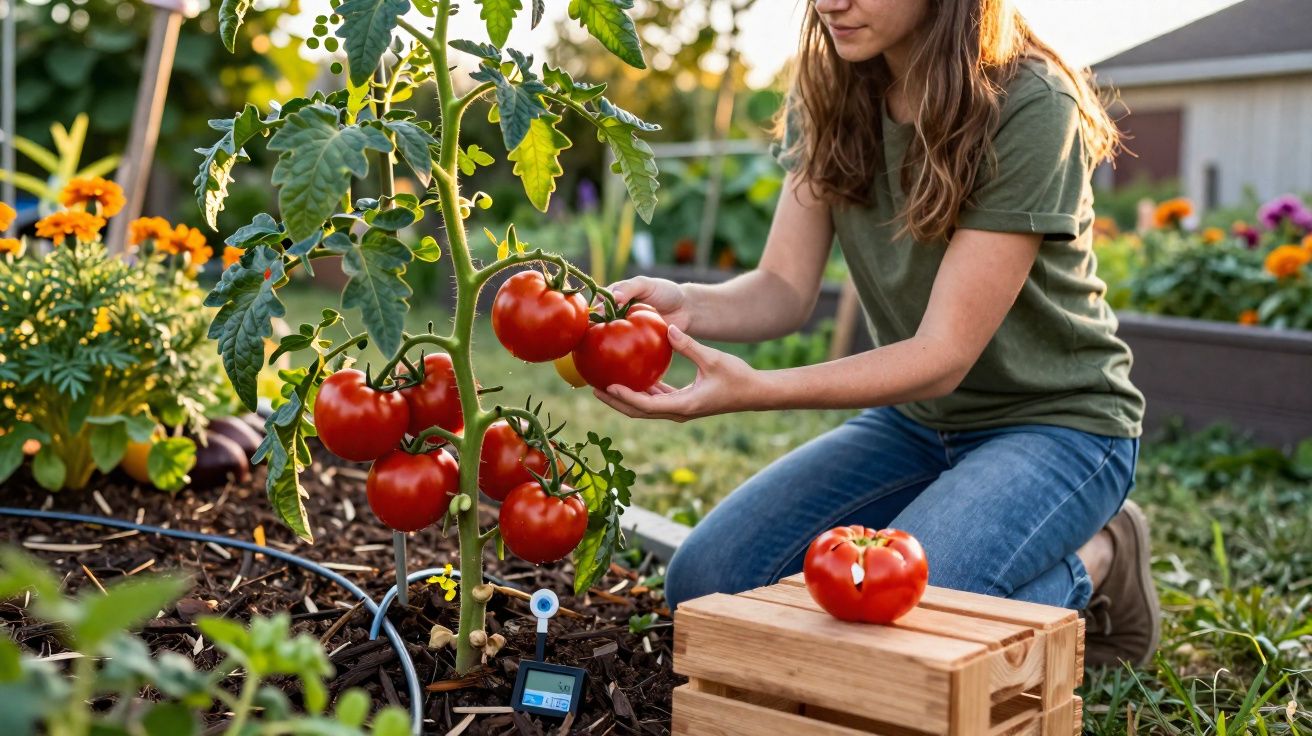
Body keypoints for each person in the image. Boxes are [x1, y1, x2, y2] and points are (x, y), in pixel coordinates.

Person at [595, 0, 1158, 667]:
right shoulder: (831, 89)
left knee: (894, 625)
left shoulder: (1030, 102)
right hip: (916, 425)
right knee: (705, 584)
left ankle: (1101, 557)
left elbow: (942, 356)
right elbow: (782, 288)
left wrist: (756, 389)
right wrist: (685, 302)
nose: (832, 4)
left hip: (1057, 426)